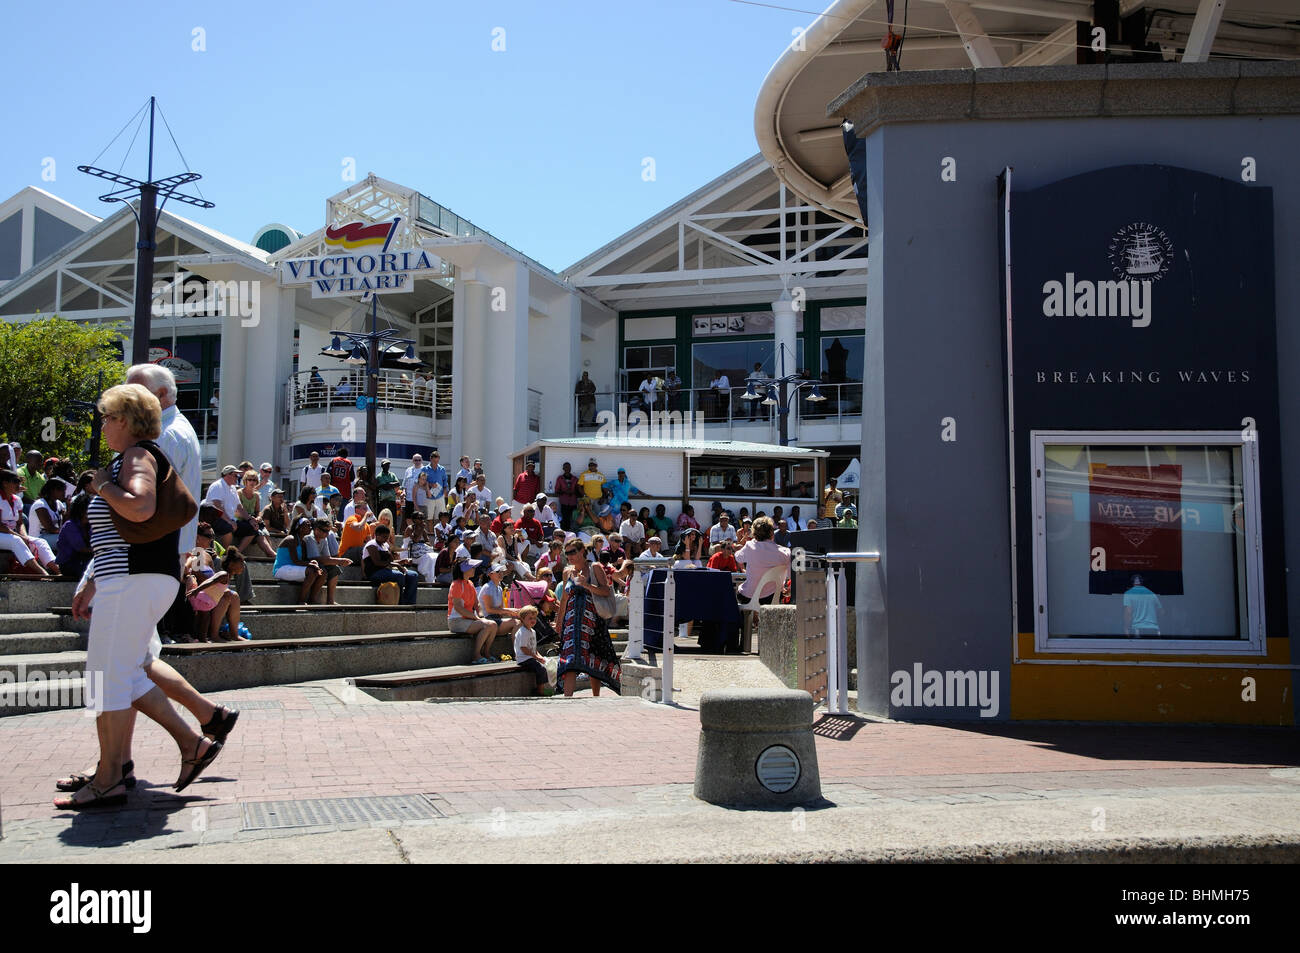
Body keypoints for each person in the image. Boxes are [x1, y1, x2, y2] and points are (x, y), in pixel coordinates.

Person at [58, 383, 230, 809]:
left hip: (134, 581)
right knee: (117, 676)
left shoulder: (136, 456)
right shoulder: (134, 457)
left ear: (126, 420)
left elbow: (139, 508)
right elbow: (119, 535)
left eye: (107, 417)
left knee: (111, 678)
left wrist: (101, 486)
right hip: (134, 578)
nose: (102, 425)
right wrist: (92, 581)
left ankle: (127, 770)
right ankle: (127, 766)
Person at [555, 540, 622, 697]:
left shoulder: (595, 567)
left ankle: (596, 696)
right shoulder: (567, 572)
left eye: (572, 552)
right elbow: (564, 599)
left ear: (581, 552)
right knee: (569, 660)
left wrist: (587, 585)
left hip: (592, 623)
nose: (569, 556)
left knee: (593, 659)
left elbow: (606, 591)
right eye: (567, 553)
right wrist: (559, 623)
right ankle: (567, 697)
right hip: (571, 624)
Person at [0, 469, 59, 574]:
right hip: (3, 533)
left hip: (11, 533)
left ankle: (57, 569)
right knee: (16, 540)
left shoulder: (17, 500)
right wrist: (20, 537)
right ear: (4, 483)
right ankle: (42, 573)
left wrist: (25, 536)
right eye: (15, 481)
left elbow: (20, 523)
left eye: (20, 481)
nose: (19, 484)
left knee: (40, 542)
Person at [449, 559, 499, 664]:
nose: (474, 569)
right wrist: (476, 617)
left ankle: (486, 652)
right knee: (487, 625)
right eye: (472, 567)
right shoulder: (456, 584)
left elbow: (477, 604)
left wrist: (480, 615)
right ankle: (476, 655)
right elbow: (458, 608)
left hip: (467, 619)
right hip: (456, 621)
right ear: (464, 569)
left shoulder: (470, 583)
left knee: (493, 625)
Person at [735, 516, 790, 604]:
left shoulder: (749, 546)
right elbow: (792, 576)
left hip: (749, 597)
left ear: (754, 532)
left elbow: (738, 557)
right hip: (772, 597)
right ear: (772, 533)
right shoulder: (785, 552)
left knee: (739, 591)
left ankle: (752, 615)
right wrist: (788, 590)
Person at [363, 524, 419, 605]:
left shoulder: (385, 545)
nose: (386, 539)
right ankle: (399, 601)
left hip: (387, 570)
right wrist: (397, 565)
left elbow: (391, 561)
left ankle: (410, 602)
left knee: (413, 575)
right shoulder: (371, 545)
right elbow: (377, 562)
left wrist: (403, 561)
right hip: (374, 573)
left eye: (387, 537)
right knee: (399, 575)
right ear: (377, 535)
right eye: (384, 537)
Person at [274, 517, 324, 604]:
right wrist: (311, 564)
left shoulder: (303, 542)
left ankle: (312, 599)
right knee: (312, 571)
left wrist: (313, 562)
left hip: (293, 568)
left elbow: (304, 560)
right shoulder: (291, 539)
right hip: (281, 569)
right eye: (307, 525)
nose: (311, 527)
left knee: (323, 573)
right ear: (300, 528)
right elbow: (296, 561)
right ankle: (301, 601)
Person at [513, 604, 552, 696]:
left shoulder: (532, 631)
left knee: (546, 665)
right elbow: (524, 648)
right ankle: (540, 691)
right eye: (530, 618)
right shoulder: (523, 632)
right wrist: (537, 658)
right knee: (541, 669)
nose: (533, 620)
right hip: (523, 658)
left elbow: (533, 648)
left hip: (530, 657)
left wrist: (540, 657)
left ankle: (546, 688)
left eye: (534, 618)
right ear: (522, 619)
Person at [202, 465, 242, 547]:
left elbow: (239, 507)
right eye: (235, 475)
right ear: (228, 475)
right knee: (228, 528)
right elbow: (217, 506)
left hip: (228, 518)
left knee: (251, 529)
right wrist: (229, 521)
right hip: (214, 518)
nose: (238, 477)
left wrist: (249, 519)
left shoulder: (233, 488)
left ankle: (237, 553)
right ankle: (225, 554)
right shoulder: (217, 486)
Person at [56, 495, 93, 580]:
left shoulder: (90, 526)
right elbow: (81, 548)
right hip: (70, 563)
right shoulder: (70, 525)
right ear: (81, 511)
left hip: (84, 560)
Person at [553, 461, 580, 531]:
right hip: (564, 502)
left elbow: (578, 491)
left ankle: (573, 532)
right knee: (565, 518)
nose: (567, 469)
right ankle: (565, 533)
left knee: (573, 518)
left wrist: (573, 492)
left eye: (569, 467)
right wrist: (565, 492)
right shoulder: (560, 478)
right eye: (566, 467)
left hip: (573, 502)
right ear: (563, 468)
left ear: (571, 468)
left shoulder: (575, 479)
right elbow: (556, 491)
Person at [423, 451, 448, 520]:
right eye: (434, 461)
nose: (435, 463)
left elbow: (445, 481)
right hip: (429, 496)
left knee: (440, 518)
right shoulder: (424, 469)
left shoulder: (442, 469)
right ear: (430, 459)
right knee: (428, 518)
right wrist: (430, 484)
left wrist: (445, 491)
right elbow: (421, 481)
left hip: (440, 496)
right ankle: (430, 531)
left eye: (437, 461)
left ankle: (437, 531)